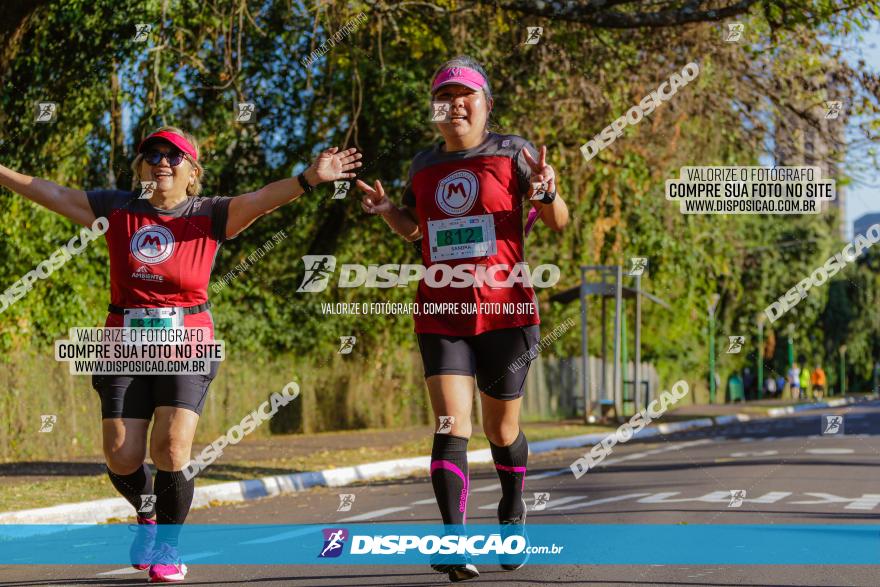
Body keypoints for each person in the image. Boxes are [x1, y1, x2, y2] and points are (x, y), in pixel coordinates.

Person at [0, 127, 361, 582]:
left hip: (187, 340)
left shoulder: (210, 214)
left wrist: (309, 178)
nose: (162, 161)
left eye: (174, 155)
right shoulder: (117, 209)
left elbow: (263, 198)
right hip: (122, 340)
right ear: (141, 167)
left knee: (171, 446)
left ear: (193, 172)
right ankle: (147, 515)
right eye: (152, 153)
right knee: (120, 453)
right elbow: (49, 191)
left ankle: (169, 546)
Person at [357, 55, 568, 582]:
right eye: (444, 98)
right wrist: (389, 214)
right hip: (441, 311)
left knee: (502, 429)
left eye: (464, 95)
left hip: (506, 312)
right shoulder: (423, 166)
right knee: (451, 422)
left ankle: (513, 508)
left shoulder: (514, 153)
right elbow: (415, 230)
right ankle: (453, 541)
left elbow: (559, 222)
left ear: (485, 105)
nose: (454, 105)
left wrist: (549, 191)